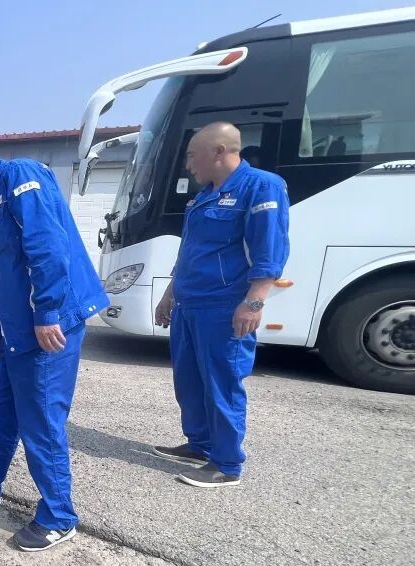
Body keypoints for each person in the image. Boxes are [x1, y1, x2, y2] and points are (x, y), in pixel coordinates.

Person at [0, 141, 109, 552]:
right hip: (20, 333)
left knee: (41, 419)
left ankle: (59, 517)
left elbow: (48, 248)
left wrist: (47, 312)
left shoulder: (22, 178)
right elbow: (3, 271)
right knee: (1, 410)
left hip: (47, 328)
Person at [153, 122, 290, 488]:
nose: (188, 165)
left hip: (223, 306)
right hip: (189, 302)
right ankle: (200, 445)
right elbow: (189, 251)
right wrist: (170, 293)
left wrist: (254, 302)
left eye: (191, 156)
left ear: (218, 151)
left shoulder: (261, 186)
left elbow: (269, 249)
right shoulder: (203, 197)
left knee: (222, 384)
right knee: (189, 381)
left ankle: (227, 464)